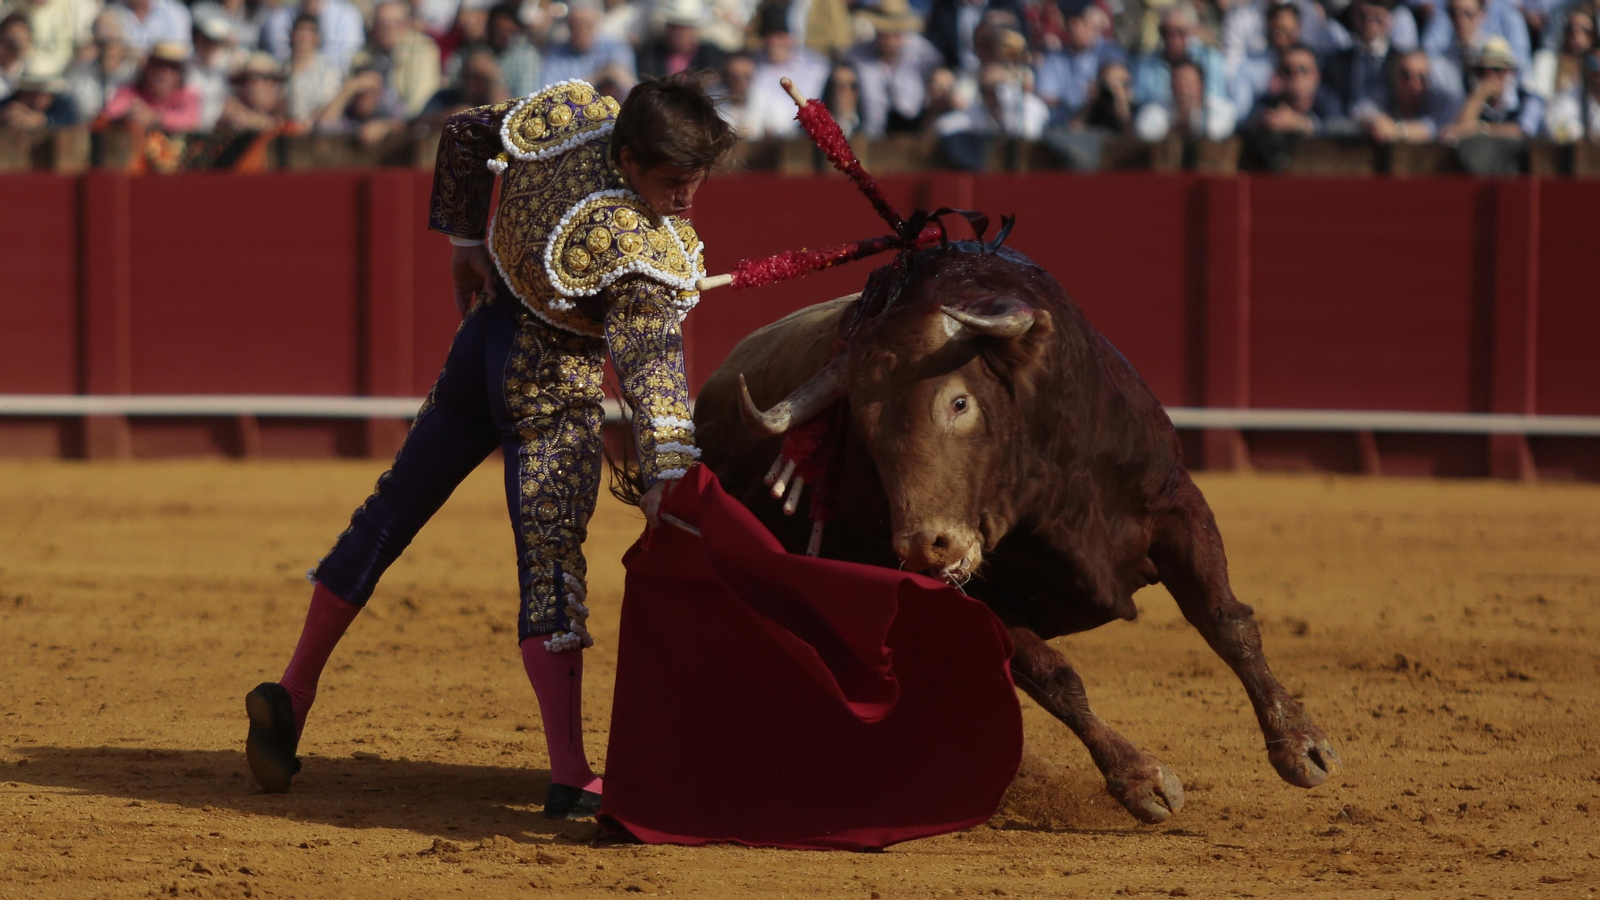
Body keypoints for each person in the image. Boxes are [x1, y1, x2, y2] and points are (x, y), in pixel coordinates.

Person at [244, 72, 735, 821]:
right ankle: (570, 773)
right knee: (550, 566)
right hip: (549, 383)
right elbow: (649, 362)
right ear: (630, 158)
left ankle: (293, 690)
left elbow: (470, 131)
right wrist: (667, 463)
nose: (685, 199)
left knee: (387, 513)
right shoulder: (636, 245)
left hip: (481, 346)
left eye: (696, 182)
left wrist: (467, 242)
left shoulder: (574, 117)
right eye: (672, 181)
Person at [847, 0, 943, 137]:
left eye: (895, 33)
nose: (889, 39)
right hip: (869, 135)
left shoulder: (925, 55)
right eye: (884, 33)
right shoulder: (857, 57)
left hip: (912, 133)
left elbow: (942, 79)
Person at [1035, 0, 1126, 125]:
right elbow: (1046, 95)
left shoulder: (1109, 51)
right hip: (1062, 122)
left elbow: (1120, 77)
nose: (1074, 27)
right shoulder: (1056, 58)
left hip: (1102, 120)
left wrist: (1099, 88)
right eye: (1070, 21)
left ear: (1093, 23)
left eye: (1081, 21)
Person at [352, 1, 440, 118]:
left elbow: (419, 104)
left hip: (406, 126)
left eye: (397, 23)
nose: (390, 29)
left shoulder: (422, 50)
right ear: (374, 26)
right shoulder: (363, 57)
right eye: (383, 24)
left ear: (407, 24)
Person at [97, 40, 201, 130]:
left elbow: (191, 121)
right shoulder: (128, 92)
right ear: (146, 69)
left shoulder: (188, 95)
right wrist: (127, 116)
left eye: (171, 67)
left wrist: (155, 118)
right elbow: (106, 116)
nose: (163, 72)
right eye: (157, 65)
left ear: (179, 74)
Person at [539, 0, 635, 88]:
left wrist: (615, 75)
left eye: (588, 24)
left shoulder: (616, 47)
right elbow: (547, 91)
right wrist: (596, 78)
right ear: (568, 25)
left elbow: (629, 86)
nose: (582, 30)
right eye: (576, 24)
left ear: (598, 24)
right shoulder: (556, 54)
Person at [0, 70, 78, 127]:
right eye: (30, 93)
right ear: (20, 93)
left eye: (41, 94)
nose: (36, 98)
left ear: (51, 95)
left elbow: (68, 118)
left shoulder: (64, 105)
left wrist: (42, 121)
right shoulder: (8, 103)